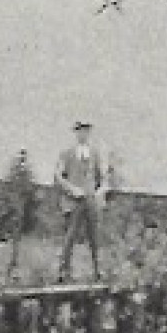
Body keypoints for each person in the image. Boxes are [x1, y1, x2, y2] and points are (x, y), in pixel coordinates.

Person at [55, 121, 108, 282]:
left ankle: (98, 270)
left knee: (94, 236)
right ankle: (63, 271)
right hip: (74, 200)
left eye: (86, 131)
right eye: (80, 131)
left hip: (91, 200)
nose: (83, 134)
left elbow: (103, 177)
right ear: (76, 133)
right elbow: (58, 176)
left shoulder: (95, 153)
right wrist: (72, 189)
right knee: (70, 235)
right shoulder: (67, 153)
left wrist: (100, 191)